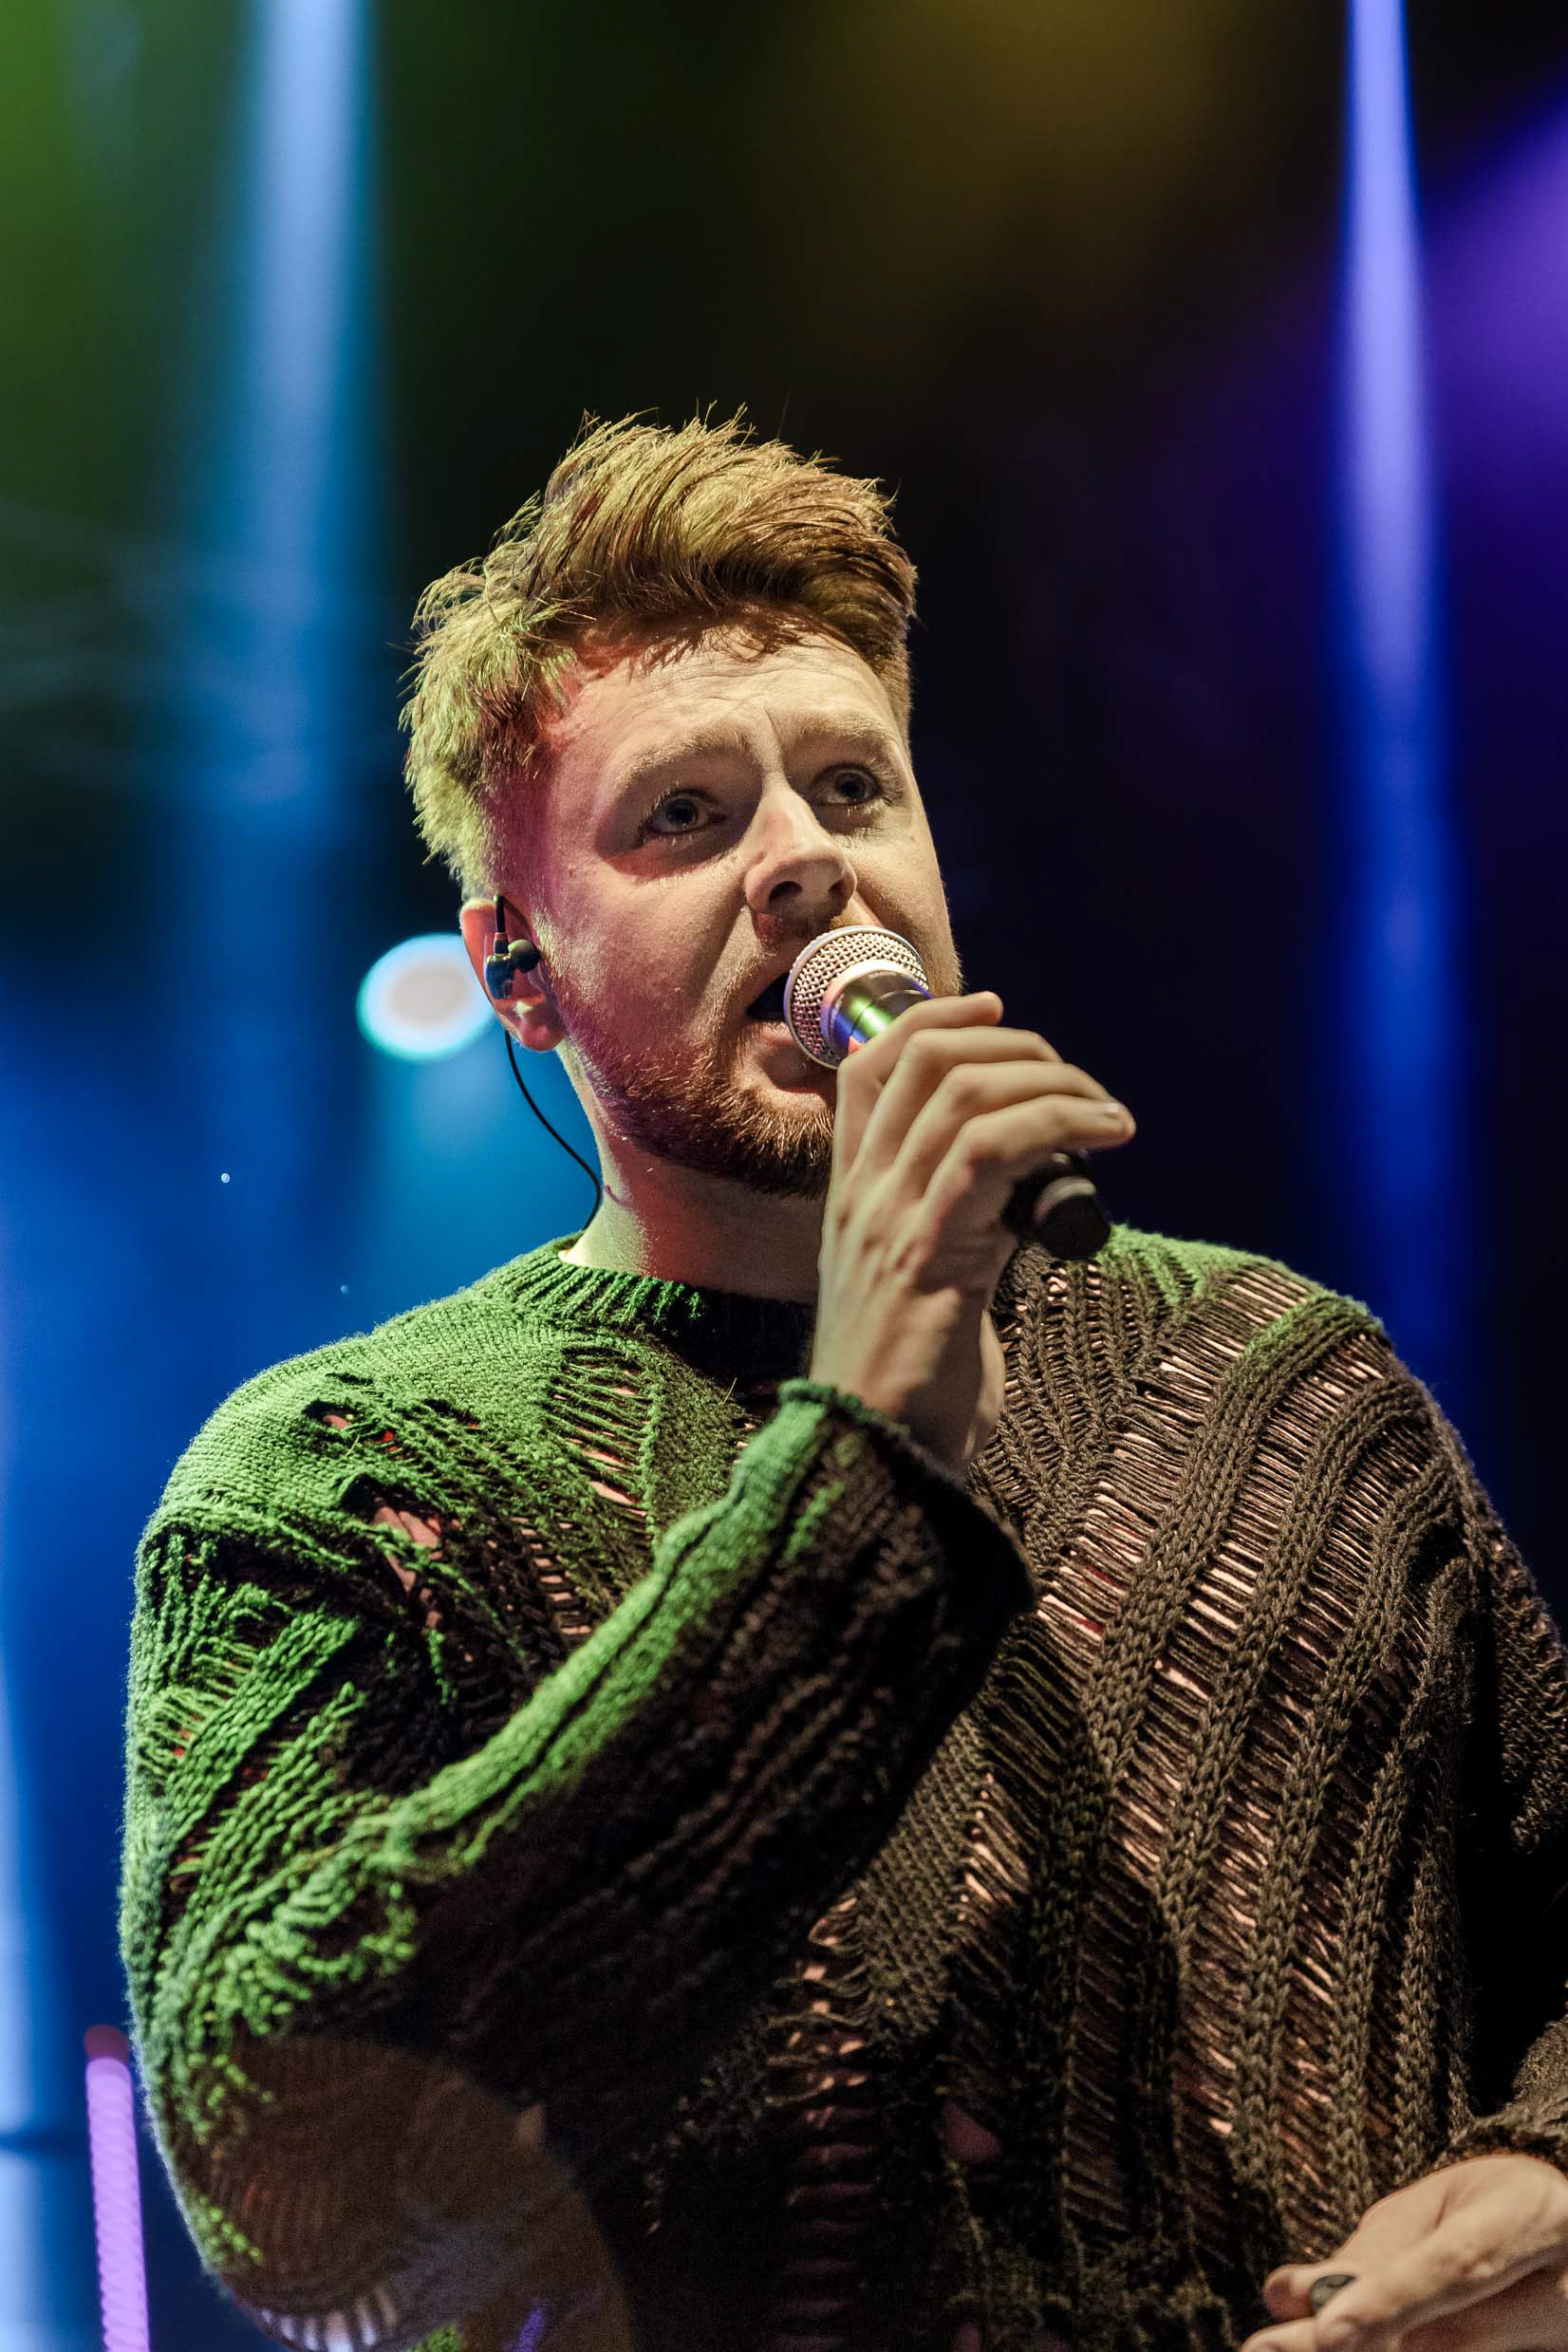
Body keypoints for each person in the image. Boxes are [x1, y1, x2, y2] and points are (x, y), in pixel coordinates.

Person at [121, 415, 1568, 2352]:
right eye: (685, 815)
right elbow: (279, 2168)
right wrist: (867, 1458)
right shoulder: (349, 1472)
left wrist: (1553, 2173)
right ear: (519, 972)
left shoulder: (1287, 1379)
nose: (806, 859)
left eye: (852, 786)